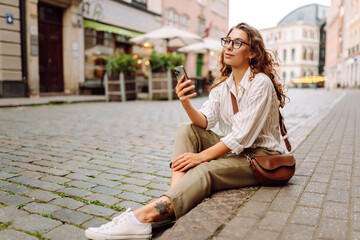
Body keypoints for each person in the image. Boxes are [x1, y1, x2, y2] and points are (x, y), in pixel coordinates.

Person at [85, 22, 287, 240]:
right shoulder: (223, 86)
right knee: (186, 129)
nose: (228, 46)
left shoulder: (261, 83)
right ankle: (173, 199)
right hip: (237, 152)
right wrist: (186, 103)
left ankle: (141, 217)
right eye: (227, 41)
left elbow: (240, 137)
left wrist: (199, 157)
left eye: (237, 43)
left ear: (253, 52)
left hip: (260, 157)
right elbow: (205, 121)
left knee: (204, 170)